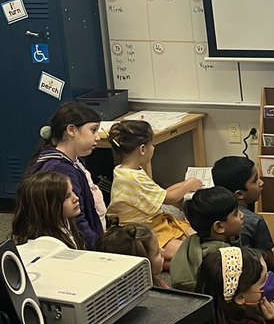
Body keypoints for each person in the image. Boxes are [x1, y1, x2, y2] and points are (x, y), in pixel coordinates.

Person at [107, 119, 202, 261]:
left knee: (197, 237)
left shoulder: (125, 170)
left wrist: (186, 183)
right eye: (152, 144)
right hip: (140, 232)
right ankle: (156, 262)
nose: (154, 148)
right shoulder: (131, 177)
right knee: (192, 254)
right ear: (142, 149)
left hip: (153, 222)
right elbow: (170, 198)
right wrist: (189, 184)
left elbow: (162, 193)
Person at [29, 101, 106, 247]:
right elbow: (76, 220)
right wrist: (99, 247)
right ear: (71, 130)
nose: (98, 137)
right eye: (93, 130)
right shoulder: (60, 170)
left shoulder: (74, 160)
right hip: (80, 246)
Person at [98, 222, 172, 324]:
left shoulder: (111, 297)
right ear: (143, 264)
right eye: (157, 252)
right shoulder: (152, 300)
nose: (163, 252)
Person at [169, 186, 245, 291]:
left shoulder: (191, 240)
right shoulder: (222, 257)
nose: (242, 215)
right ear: (219, 227)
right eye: (236, 214)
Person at [210, 155, 274, 264]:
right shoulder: (254, 221)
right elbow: (270, 259)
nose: (261, 183)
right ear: (240, 194)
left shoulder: (209, 211)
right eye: (255, 180)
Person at [11, 171, 84, 248]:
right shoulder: (44, 244)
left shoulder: (67, 222)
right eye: (66, 197)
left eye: (72, 191)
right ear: (45, 207)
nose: (76, 198)